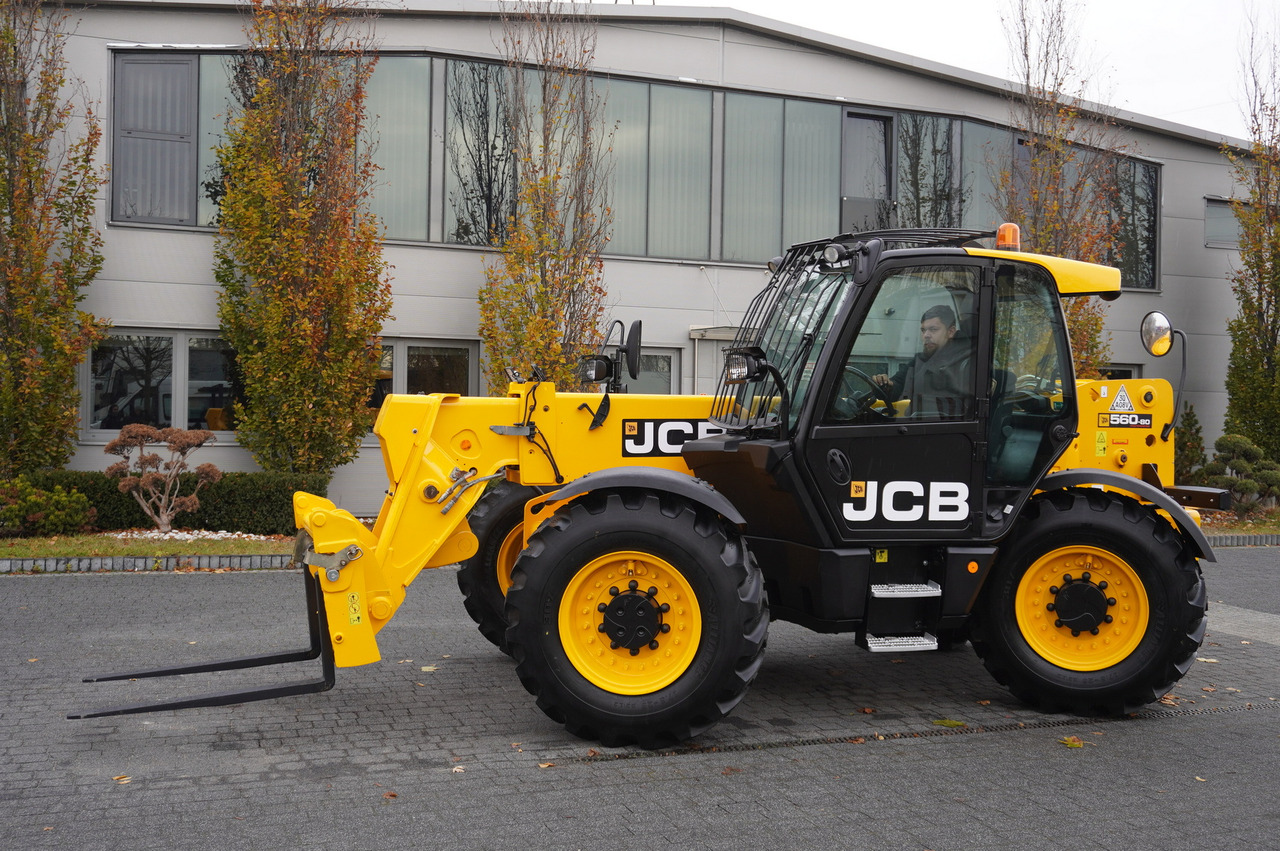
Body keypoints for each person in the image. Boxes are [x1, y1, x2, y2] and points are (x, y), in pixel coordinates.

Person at [873, 304, 973, 418]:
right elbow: (898, 386)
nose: (926, 335)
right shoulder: (921, 360)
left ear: (951, 331)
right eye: (923, 330)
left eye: (933, 329)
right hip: (916, 426)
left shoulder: (967, 363)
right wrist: (886, 386)